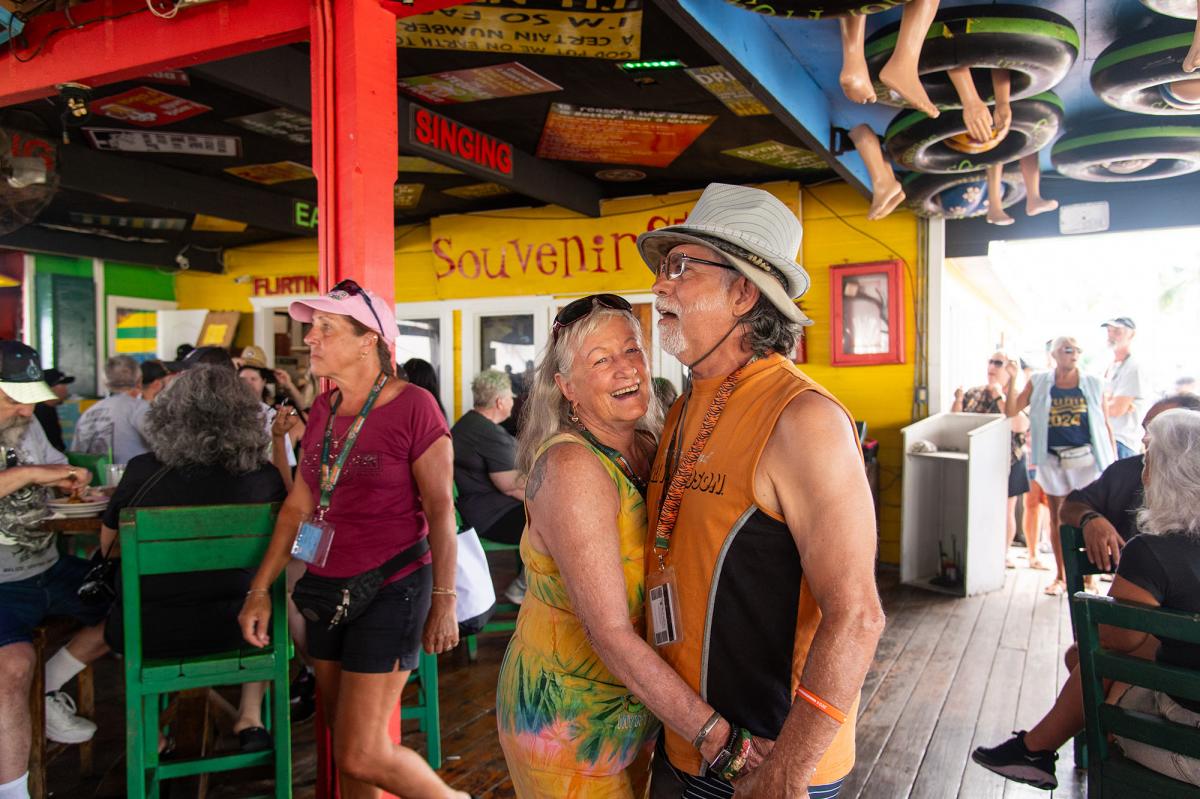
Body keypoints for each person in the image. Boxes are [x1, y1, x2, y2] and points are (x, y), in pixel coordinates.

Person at [637, 183, 885, 798]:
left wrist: (788, 772)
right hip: (690, 742)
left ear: (744, 292)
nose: (660, 285)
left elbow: (858, 615)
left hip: (764, 762)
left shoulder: (804, 418)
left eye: (681, 267)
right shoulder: (684, 405)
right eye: (664, 269)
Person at [497, 294, 769, 797]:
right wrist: (716, 736)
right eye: (600, 360)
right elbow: (609, 632)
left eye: (632, 350)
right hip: (565, 721)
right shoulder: (572, 468)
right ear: (566, 387)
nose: (626, 369)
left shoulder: (649, 444)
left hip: (640, 705)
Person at [237, 280, 467, 799]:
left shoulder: (416, 406)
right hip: (325, 586)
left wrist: (445, 599)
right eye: (312, 327)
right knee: (344, 735)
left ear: (369, 341)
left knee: (362, 751)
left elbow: (440, 509)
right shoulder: (323, 407)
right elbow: (299, 505)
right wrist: (260, 588)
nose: (310, 338)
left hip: (393, 585)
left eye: (326, 327)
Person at [972, 407, 1200, 790]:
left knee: (1100, 665)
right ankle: (1033, 750)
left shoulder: (1151, 552)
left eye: (1147, 461)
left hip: (1186, 748)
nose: (1142, 471)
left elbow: (1110, 643)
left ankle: (1035, 750)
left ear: (1163, 474)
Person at [98, 365, 288, 752]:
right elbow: (282, 547)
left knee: (143, 599)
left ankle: (152, 732)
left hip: (146, 631)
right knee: (262, 593)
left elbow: (109, 550)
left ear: (168, 416)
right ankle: (250, 715)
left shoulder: (142, 471)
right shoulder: (263, 477)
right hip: (242, 628)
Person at [0, 341, 109, 799]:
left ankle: (49, 686)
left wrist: (69, 481)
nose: (27, 412)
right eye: (15, 400)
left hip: (48, 565)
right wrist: (30, 475)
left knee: (133, 607)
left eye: (31, 401)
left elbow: (57, 467)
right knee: (13, 665)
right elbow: (36, 473)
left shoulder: (26, 426)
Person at [1005, 337, 1117, 596]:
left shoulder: (1093, 382)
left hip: (1086, 460)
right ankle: (1062, 576)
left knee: (1089, 517)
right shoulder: (1040, 381)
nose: (1074, 353)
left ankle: (1090, 579)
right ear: (1054, 354)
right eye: (1067, 349)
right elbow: (1011, 410)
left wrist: (1111, 463)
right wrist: (1013, 378)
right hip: (1052, 459)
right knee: (1059, 518)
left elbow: (1105, 423)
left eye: (1077, 349)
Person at [1059, 394, 1200, 572]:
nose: (1145, 438)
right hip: (1141, 580)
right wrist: (1090, 518)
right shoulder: (1127, 471)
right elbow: (1071, 506)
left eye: (1158, 427)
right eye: (1146, 429)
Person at [450, 370, 526, 604]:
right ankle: (523, 587)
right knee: (556, 524)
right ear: (500, 402)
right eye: (511, 397)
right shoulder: (488, 434)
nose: (513, 401)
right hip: (491, 516)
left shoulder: (467, 424)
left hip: (473, 510)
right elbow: (512, 487)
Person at [953, 350, 1033, 568]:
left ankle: (1002, 555)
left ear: (1010, 369)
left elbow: (1019, 425)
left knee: (1007, 509)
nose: (992, 367)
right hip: (981, 461)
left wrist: (999, 396)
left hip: (1010, 460)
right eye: (990, 362)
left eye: (999, 363)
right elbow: (956, 420)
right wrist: (958, 399)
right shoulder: (975, 392)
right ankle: (980, 555)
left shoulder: (1019, 395)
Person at [72, 355, 151, 465]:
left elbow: (76, 455)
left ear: (106, 382)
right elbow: (164, 445)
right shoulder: (139, 408)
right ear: (139, 379)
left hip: (95, 475)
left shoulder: (88, 413)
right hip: (133, 474)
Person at [1101, 317, 1147, 460]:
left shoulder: (1133, 367)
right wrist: (1106, 402)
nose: (1111, 335)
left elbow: (1116, 409)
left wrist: (1100, 403)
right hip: (1108, 438)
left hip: (1122, 441)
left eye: (1117, 331)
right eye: (1109, 331)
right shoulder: (1110, 366)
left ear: (1131, 334)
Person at [33, 369, 73, 453]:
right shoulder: (38, 413)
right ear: (50, 388)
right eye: (63, 385)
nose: (66, 389)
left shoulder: (50, 409)